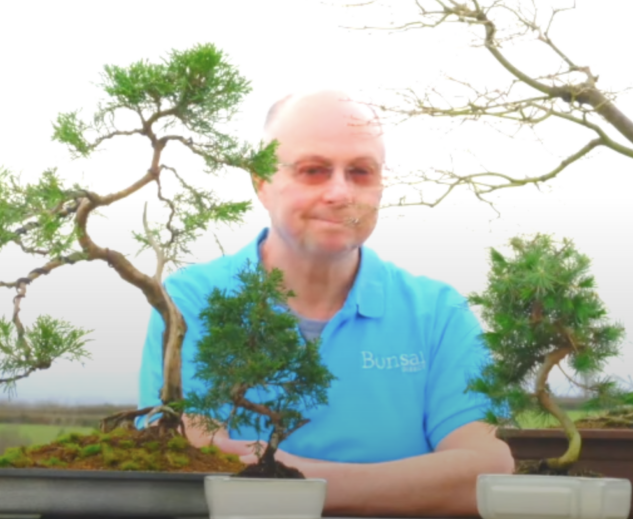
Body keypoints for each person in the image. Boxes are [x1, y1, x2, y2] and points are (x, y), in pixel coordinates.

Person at [138, 89, 514, 516]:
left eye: (361, 171)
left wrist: (290, 475)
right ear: (261, 182)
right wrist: (412, 483)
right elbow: (186, 458)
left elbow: (485, 474)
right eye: (313, 170)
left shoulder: (438, 313)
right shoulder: (191, 301)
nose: (340, 193)